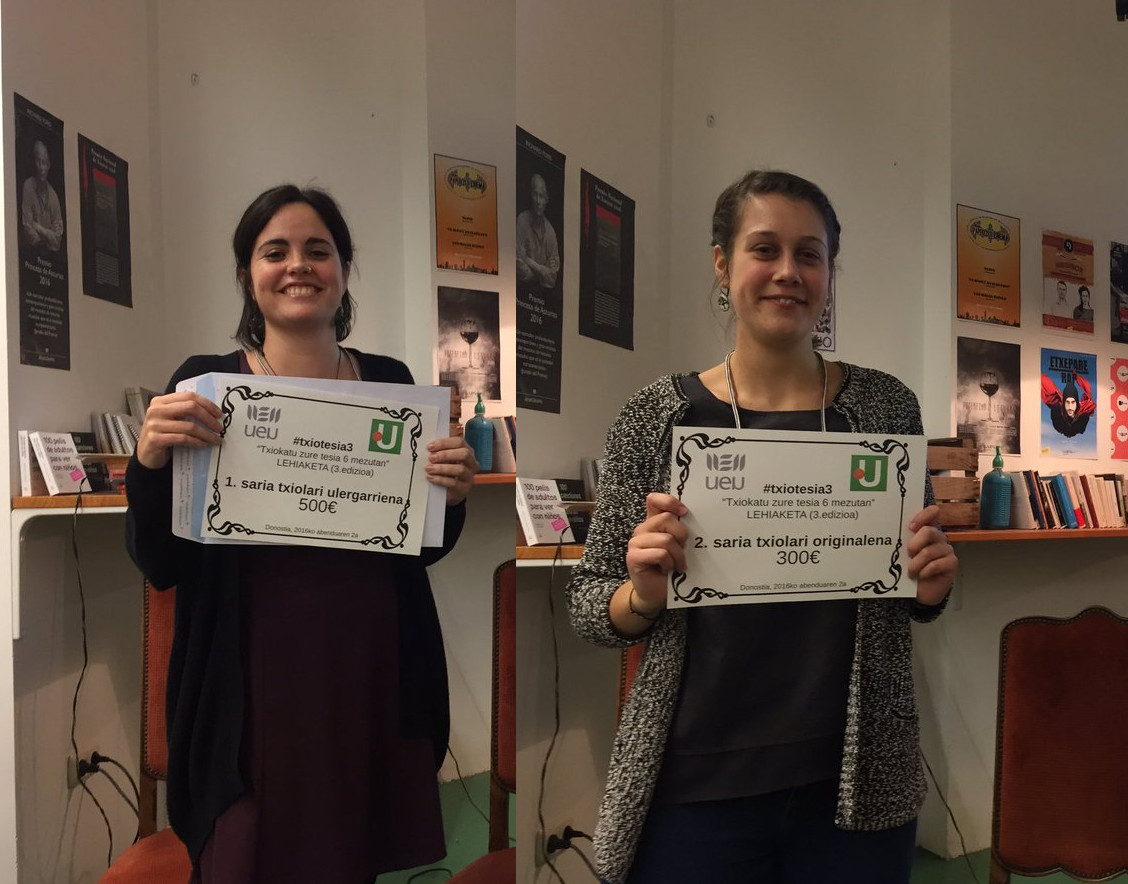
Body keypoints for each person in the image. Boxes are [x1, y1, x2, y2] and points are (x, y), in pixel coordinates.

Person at [566, 170, 958, 884]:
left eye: (809, 254)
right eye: (764, 249)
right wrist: (644, 593)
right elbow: (592, 605)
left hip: (855, 779)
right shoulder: (655, 416)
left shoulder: (885, 408)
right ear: (723, 264)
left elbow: (912, 585)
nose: (788, 272)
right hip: (695, 781)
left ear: (830, 274)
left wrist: (930, 583)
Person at [125, 184, 478, 883]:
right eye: (275, 251)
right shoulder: (203, 387)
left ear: (343, 270)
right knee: (245, 852)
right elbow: (158, 562)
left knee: (351, 852)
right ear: (247, 274)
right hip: (250, 681)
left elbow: (425, 546)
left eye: (318, 250)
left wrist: (454, 491)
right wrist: (149, 462)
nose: (298, 266)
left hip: (368, 666)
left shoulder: (392, 383)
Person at [515, 172, 560, 289]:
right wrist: (542, 269)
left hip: (542, 295)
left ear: (547, 199)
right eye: (535, 194)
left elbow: (552, 280)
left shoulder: (550, 232)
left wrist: (530, 262)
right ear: (531, 195)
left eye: (542, 196)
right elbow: (519, 265)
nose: (538, 201)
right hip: (521, 290)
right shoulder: (522, 220)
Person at [21, 140, 63, 251]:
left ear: (49, 165)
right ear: (34, 162)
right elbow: (27, 229)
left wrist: (39, 228)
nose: (41, 167)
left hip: (50, 258)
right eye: (38, 161)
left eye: (45, 162)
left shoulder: (54, 197)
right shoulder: (28, 186)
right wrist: (49, 235)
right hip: (31, 254)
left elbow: (57, 241)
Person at [1041, 372, 1094, 438]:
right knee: (1056, 407)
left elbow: (1087, 390)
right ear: (1064, 403)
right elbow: (1045, 383)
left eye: (1073, 402)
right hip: (1061, 423)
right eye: (1067, 402)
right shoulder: (1057, 410)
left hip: (1076, 426)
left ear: (1077, 403)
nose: (1070, 407)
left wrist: (1076, 376)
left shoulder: (1084, 414)